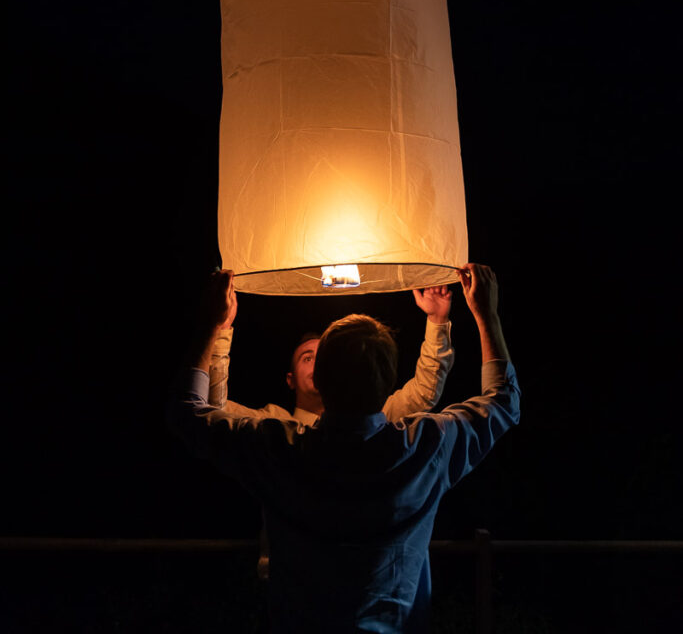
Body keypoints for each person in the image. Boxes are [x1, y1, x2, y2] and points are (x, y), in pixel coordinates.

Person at [168, 264, 520, 633]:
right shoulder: (427, 446)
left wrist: (213, 326)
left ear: (321, 378)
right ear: (388, 383)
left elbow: (187, 413)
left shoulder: (276, 449)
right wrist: (486, 314)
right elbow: (504, 402)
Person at [207, 285, 456, 423]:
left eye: (326, 355)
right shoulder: (275, 428)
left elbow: (425, 391)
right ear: (290, 379)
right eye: (307, 357)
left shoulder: (376, 416)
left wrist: (436, 319)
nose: (319, 363)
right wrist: (221, 329)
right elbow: (213, 410)